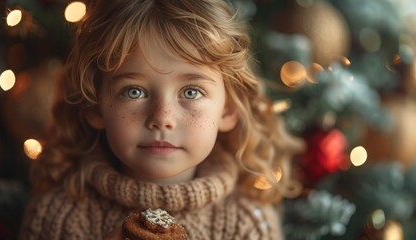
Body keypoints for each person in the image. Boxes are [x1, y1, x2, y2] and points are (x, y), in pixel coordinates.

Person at [20, 0, 304, 239]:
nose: (162, 119)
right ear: (95, 105)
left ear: (228, 110)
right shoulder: (58, 216)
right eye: (134, 91)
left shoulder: (247, 225)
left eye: (191, 92)